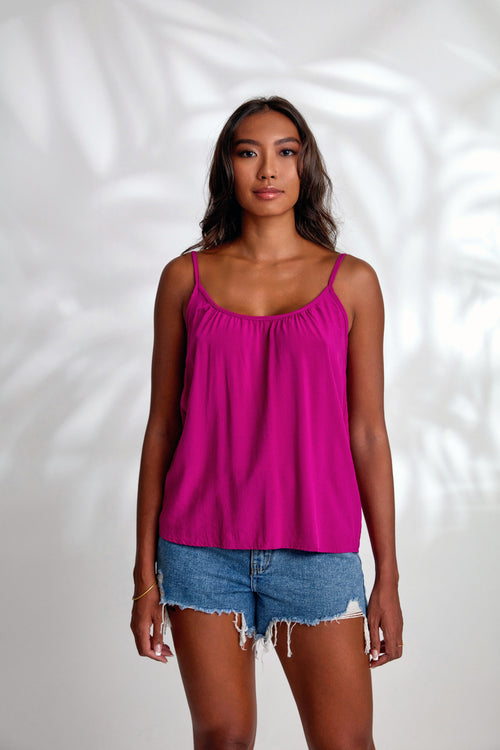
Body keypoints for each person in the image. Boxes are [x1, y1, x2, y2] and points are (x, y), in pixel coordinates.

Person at [130, 95, 403, 750]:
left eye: (286, 152)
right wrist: (143, 578)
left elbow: (369, 434)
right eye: (248, 152)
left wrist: (387, 576)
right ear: (227, 167)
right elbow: (162, 428)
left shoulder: (352, 282)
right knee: (222, 738)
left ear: (306, 167)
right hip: (199, 548)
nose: (268, 169)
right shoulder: (184, 279)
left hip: (317, 549)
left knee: (345, 743)